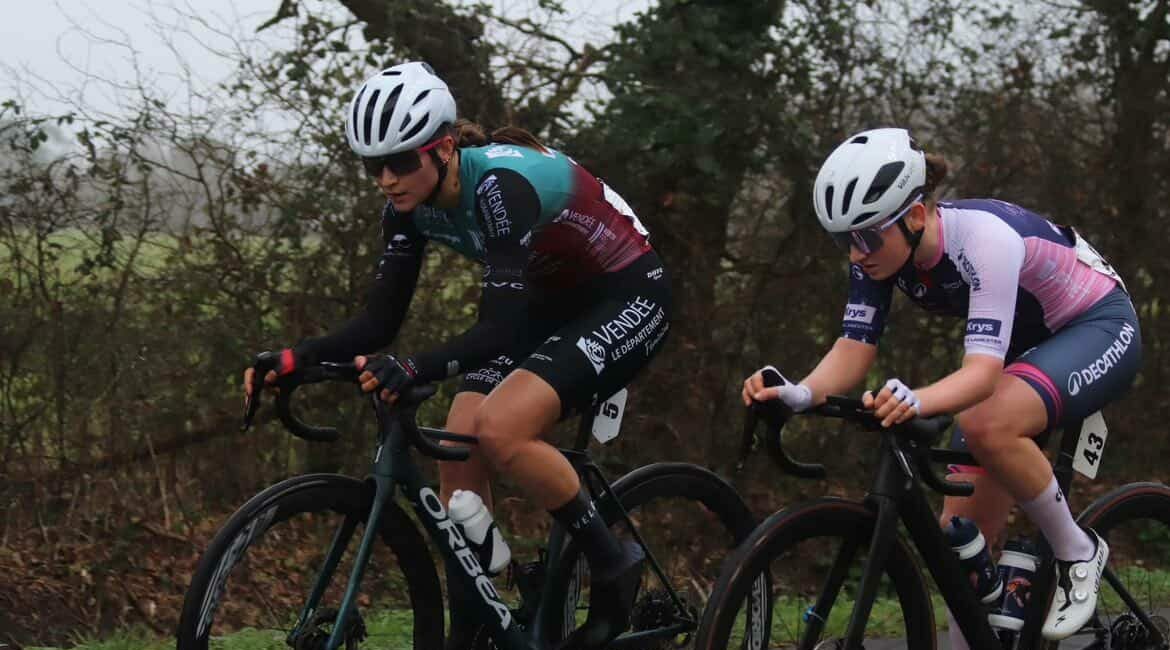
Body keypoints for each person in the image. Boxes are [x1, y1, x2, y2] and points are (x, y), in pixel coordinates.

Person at [244, 61, 672, 648]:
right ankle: (476, 624)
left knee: (502, 429)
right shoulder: (406, 209)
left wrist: (416, 366)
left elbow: (497, 327)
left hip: (626, 292)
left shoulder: (498, 186)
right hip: (548, 298)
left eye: (400, 162)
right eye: (374, 166)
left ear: (443, 148)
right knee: (457, 445)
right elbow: (380, 320)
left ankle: (613, 563)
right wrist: (298, 357)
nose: (386, 179)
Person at [742, 127, 1140, 645]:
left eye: (863, 237)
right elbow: (852, 350)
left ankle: (1076, 552)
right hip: (1027, 349)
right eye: (843, 240)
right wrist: (798, 393)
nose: (855, 255)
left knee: (984, 420)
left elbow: (981, 376)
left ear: (914, 215)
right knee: (958, 555)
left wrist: (915, 397)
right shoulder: (881, 251)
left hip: (1096, 326)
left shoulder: (983, 240)